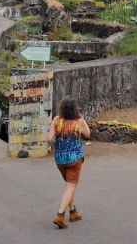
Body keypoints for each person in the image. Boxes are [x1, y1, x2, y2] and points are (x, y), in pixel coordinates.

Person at [47, 96, 90, 229]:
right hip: (74, 159)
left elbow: (49, 139)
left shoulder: (56, 120)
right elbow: (88, 134)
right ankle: (60, 215)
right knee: (71, 186)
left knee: (68, 186)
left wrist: (56, 145)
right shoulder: (79, 121)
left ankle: (73, 212)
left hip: (59, 159)